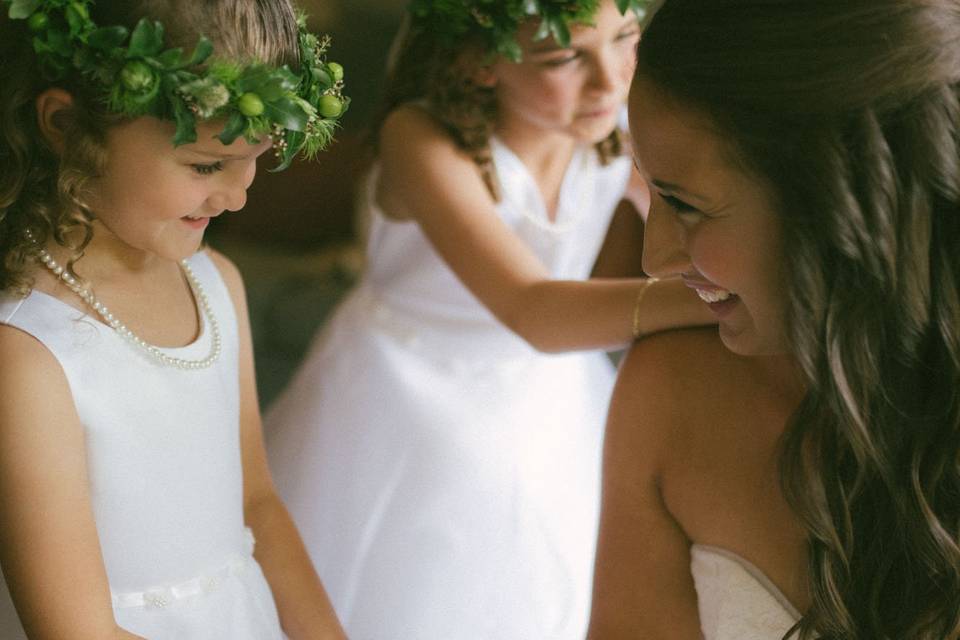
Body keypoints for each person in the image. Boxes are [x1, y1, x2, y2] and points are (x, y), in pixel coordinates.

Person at [265, 0, 713, 637]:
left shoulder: (617, 124)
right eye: (565, 57)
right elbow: (531, 307)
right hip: (407, 393)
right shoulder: (420, 139)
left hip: (550, 395)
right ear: (480, 62)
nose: (611, 80)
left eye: (626, 39)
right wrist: (717, 295)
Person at [588, 0, 960, 638]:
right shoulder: (672, 394)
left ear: (847, 197)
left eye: (685, 203)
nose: (655, 260)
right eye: (649, 190)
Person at [0, 1, 349, 637]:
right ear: (67, 124)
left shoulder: (217, 285)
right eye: (206, 165)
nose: (238, 195)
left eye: (258, 158)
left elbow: (257, 505)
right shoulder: (26, 352)